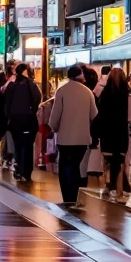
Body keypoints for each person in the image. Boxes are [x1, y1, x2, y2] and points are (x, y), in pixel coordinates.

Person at [43, 63, 98, 209]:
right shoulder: (88, 92)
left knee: (65, 166)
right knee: (75, 166)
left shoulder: (62, 91)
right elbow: (94, 114)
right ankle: (73, 198)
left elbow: (55, 116)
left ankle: (67, 198)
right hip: (82, 138)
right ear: (81, 76)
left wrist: (54, 129)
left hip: (65, 137)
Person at [0, 63, 41, 182]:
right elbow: (37, 98)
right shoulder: (30, 84)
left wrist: (9, 117)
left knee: (17, 145)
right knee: (27, 146)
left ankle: (18, 169)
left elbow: (5, 101)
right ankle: (26, 172)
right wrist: (32, 110)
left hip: (14, 121)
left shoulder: (11, 85)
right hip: (28, 120)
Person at [95, 67, 131, 198]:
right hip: (121, 131)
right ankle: (120, 185)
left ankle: (110, 185)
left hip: (107, 131)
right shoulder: (128, 94)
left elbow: (99, 113)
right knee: (119, 159)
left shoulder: (104, 94)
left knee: (109, 160)